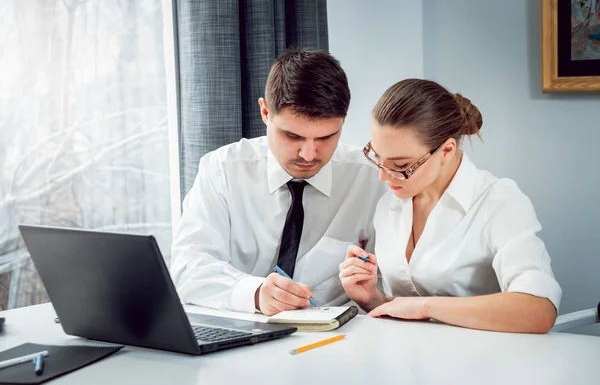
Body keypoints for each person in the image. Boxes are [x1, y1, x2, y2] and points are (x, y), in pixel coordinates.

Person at [170, 48, 386, 316]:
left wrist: (371, 295)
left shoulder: (372, 177)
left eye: (326, 137)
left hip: (340, 339)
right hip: (244, 333)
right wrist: (256, 294)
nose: (308, 155)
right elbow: (188, 268)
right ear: (265, 112)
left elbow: (390, 285)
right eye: (293, 136)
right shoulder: (222, 170)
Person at [339, 79, 561, 333]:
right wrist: (372, 298)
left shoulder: (499, 202)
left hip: (484, 361)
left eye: (401, 165)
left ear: (446, 150)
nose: (384, 176)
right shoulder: (390, 203)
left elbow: (538, 310)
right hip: (406, 359)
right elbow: (404, 313)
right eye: (377, 156)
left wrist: (426, 307)